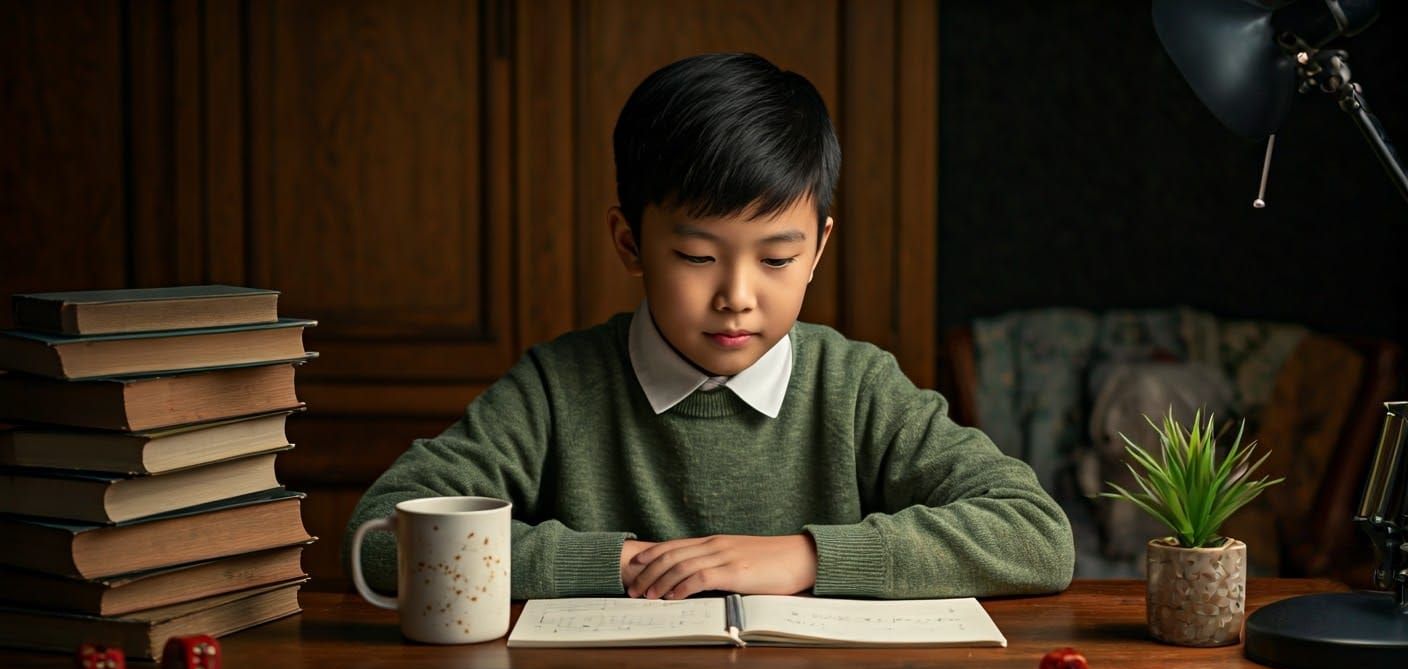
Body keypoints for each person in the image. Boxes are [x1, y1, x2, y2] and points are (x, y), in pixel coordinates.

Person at [344, 52, 1074, 601]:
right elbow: (380, 537)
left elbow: (1037, 536)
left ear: (818, 248)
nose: (737, 296)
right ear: (629, 243)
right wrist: (623, 565)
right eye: (697, 256)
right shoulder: (556, 390)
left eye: (778, 258)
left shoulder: (855, 388)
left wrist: (803, 557)